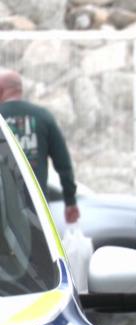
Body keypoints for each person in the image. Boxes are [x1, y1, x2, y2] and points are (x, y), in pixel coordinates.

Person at [0, 70, 80, 223]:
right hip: (37, 209)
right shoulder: (43, 117)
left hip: (3, 212)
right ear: (19, 89)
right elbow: (63, 164)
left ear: (1, 90)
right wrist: (70, 201)